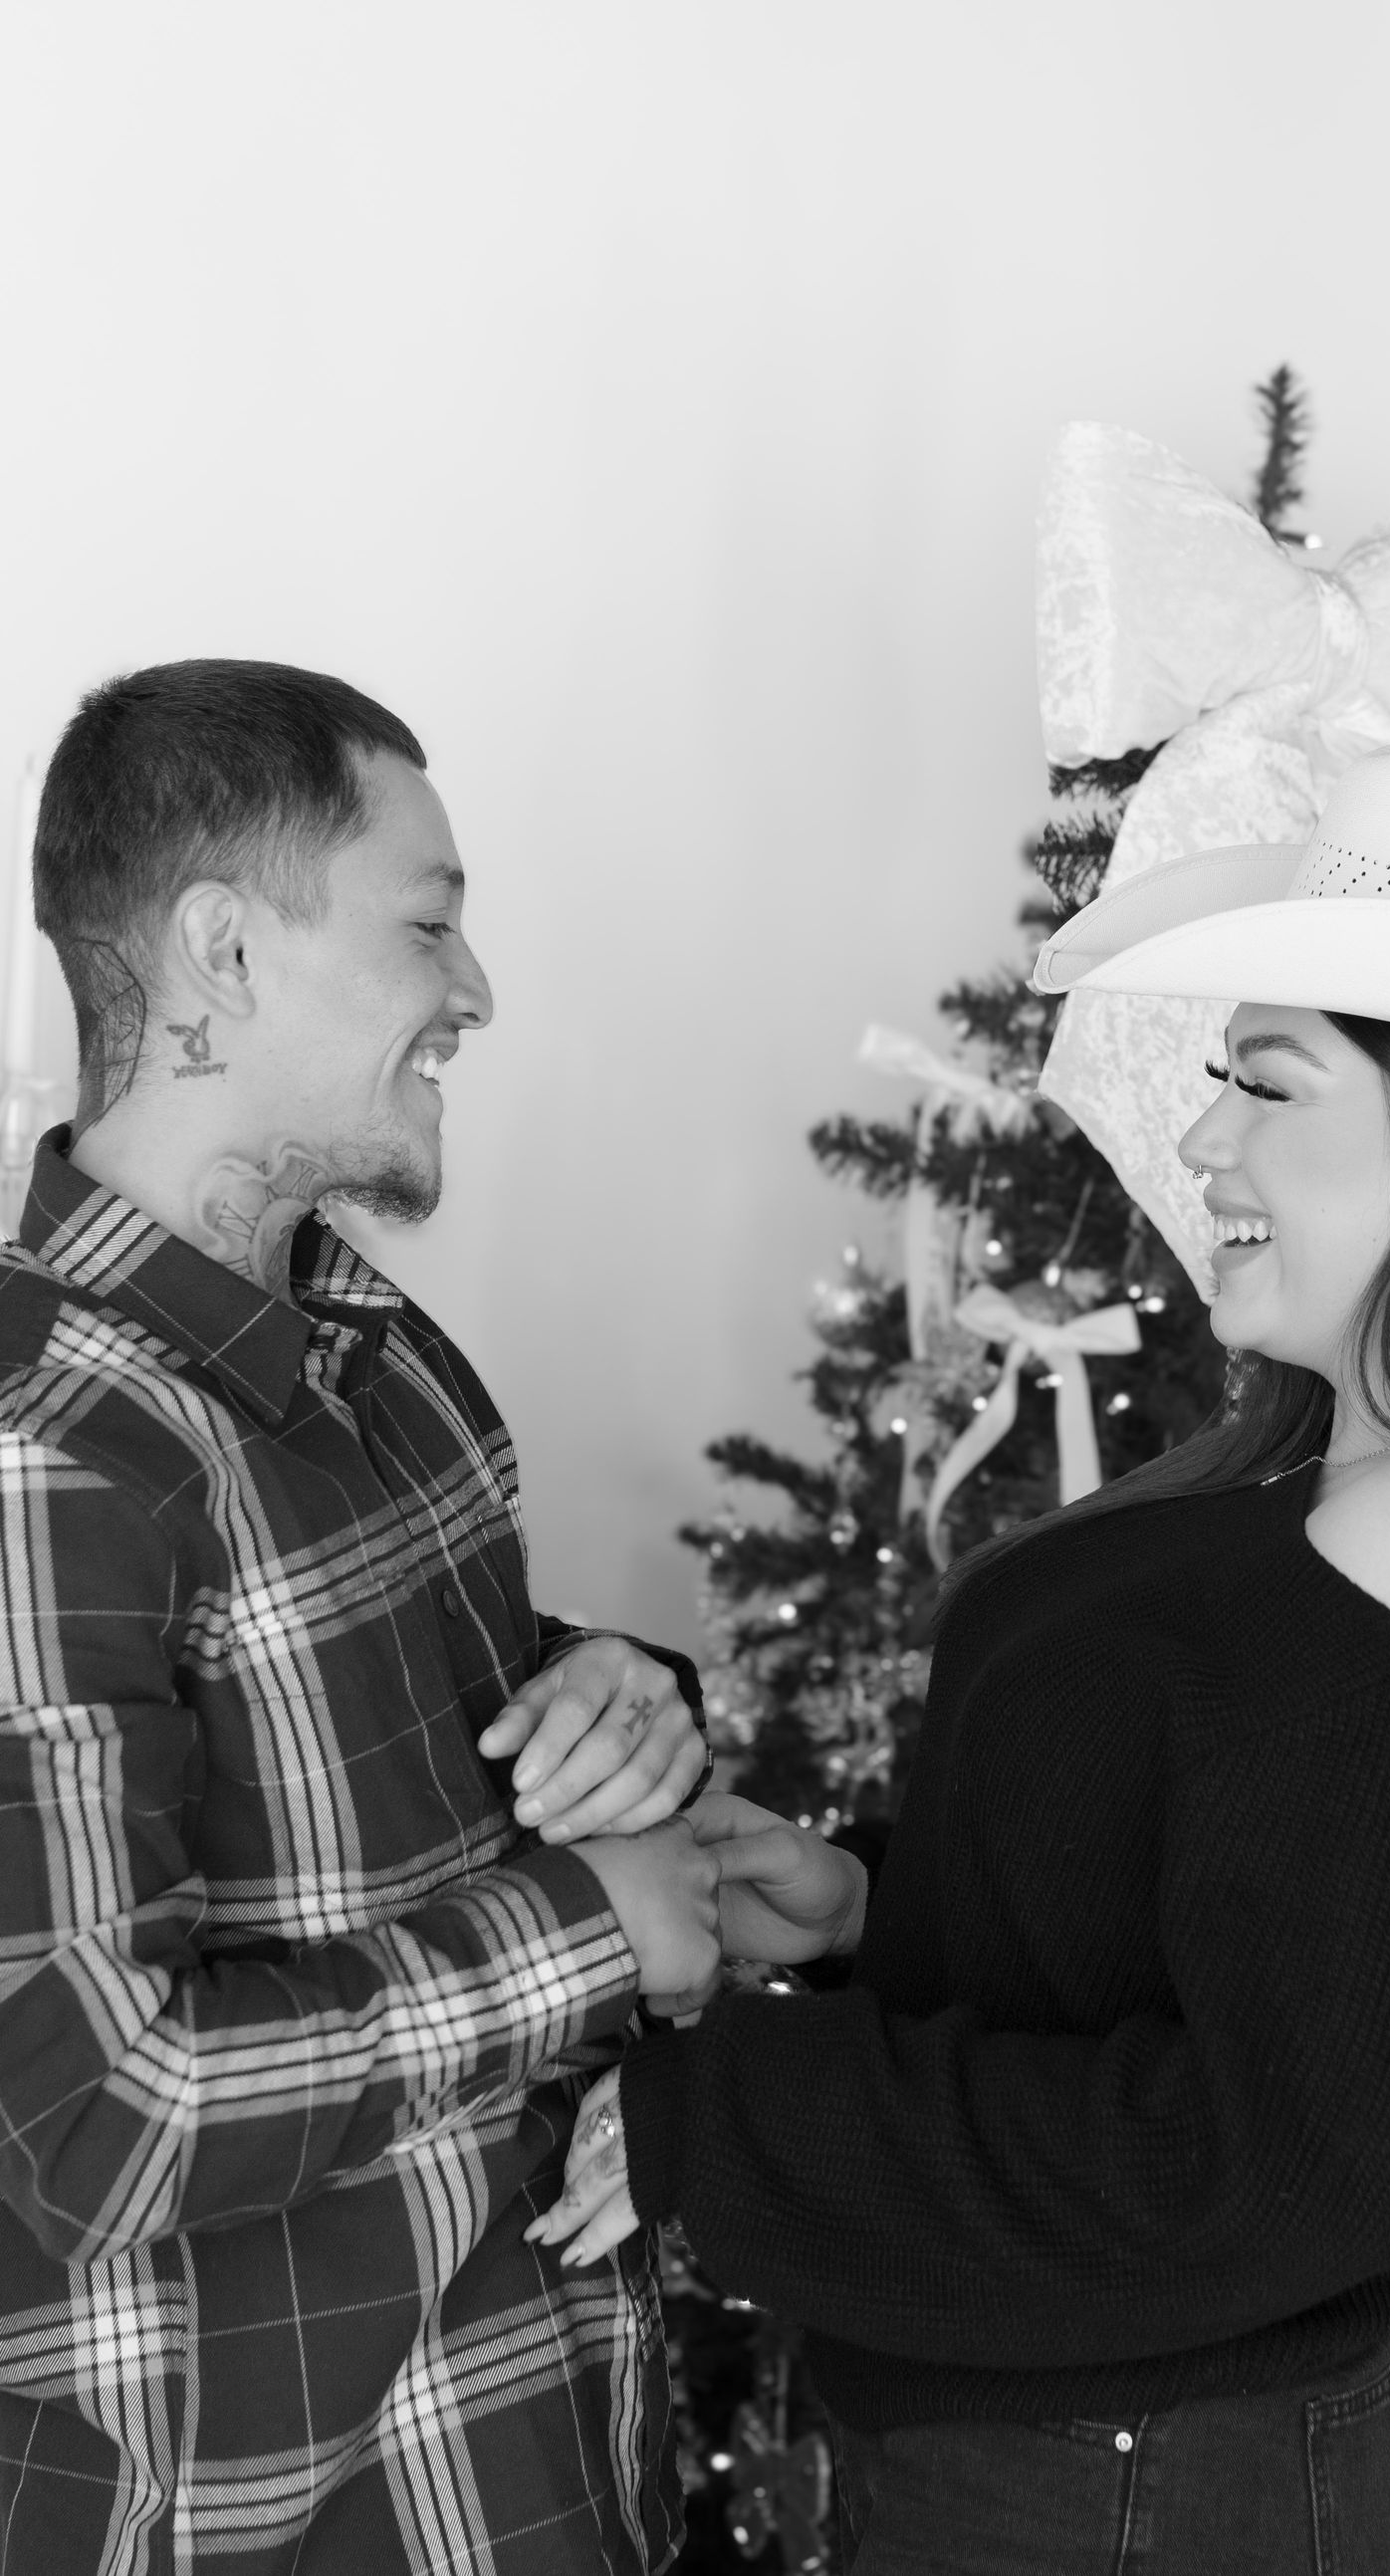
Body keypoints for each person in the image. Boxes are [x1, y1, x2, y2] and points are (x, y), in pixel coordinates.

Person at [537, 741, 1390, 2573]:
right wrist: (875, 1907)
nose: (1200, 1143)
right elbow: (1246, 1940)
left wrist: (723, 2119)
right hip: (1094, 2476)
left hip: (1130, 2497)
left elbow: (1272, 2165)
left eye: (1267, 1084)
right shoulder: (1361, 1497)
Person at [0, 661, 722, 2575]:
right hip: (265, 2528)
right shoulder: (37, 1454)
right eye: (429, 924)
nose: (472, 993)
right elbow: (90, 2115)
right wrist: (591, 1930)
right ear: (220, 954)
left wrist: (629, 1696)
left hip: (539, 2475)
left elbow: (357, 1735)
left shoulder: (382, 1354)